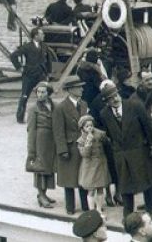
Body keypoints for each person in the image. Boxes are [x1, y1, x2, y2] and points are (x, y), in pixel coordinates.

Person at [97, 84, 152, 217]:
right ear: (107, 102)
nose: (115, 99)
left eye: (116, 95)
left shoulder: (135, 106)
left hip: (139, 150)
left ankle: (151, 210)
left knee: (146, 181)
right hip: (121, 154)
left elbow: (147, 125)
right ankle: (128, 213)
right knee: (125, 184)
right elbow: (109, 134)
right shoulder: (104, 114)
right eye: (111, 98)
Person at [53, 75, 89, 215]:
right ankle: (70, 207)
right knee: (69, 179)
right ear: (70, 90)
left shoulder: (84, 104)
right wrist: (62, 150)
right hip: (70, 147)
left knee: (83, 177)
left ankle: (85, 205)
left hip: (83, 146)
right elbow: (58, 131)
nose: (81, 89)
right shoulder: (61, 108)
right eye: (78, 87)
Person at [11, 27, 55, 124]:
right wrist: (19, 67)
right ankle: (20, 117)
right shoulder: (27, 47)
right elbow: (13, 56)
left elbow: (49, 60)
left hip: (41, 74)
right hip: (29, 75)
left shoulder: (44, 46)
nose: (43, 35)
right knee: (24, 96)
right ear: (36, 36)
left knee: (46, 95)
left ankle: (48, 115)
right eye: (41, 34)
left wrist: (48, 73)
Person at [26, 81, 57, 208]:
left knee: (49, 167)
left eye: (43, 92)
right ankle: (41, 194)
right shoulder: (34, 109)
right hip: (40, 142)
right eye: (38, 92)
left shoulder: (54, 106)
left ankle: (44, 193)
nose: (40, 94)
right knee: (40, 168)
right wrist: (31, 150)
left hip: (51, 141)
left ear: (48, 93)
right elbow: (30, 130)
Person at [75, 115, 110, 212]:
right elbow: (84, 154)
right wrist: (88, 143)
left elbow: (107, 142)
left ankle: (99, 209)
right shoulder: (81, 140)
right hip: (89, 167)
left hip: (100, 164)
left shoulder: (99, 134)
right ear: (82, 128)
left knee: (100, 188)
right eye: (87, 126)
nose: (90, 128)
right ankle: (92, 210)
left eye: (91, 125)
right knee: (91, 189)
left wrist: (105, 138)